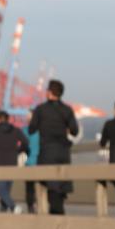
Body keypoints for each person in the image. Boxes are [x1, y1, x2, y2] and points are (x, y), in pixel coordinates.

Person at [28, 80, 79, 215]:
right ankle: (57, 213)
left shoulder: (40, 109)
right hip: (63, 152)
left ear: (49, 92)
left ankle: (57, 217)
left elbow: (32, 129)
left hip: (47, 153)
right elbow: (74, 131)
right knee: (60, 188)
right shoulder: (67, 109)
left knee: (51, 188)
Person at [0, 111, 28, 213]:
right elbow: (25, 142)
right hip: (12, 162)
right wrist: (18, 150)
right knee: (6, 190)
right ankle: (3, 213)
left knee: (1, 190)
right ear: (8, 119)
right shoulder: (16, 130)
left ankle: (13, 207)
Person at [23, 125, 40, 213]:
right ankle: (40, 205)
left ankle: (31, 207)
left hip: (29, 163)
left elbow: (23, 145)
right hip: (41, 162)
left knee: (30, 188)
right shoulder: (42, 129)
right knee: (42, 186)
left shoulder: (25, 130)